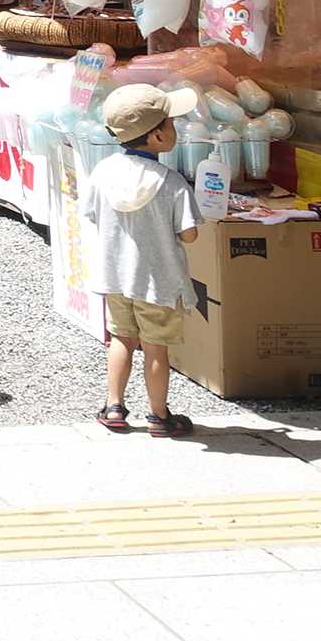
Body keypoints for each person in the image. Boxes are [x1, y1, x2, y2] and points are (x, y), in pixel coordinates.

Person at [85, 83, 203, 436]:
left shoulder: (103, 172)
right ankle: (158, 416)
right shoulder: (171, 182)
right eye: (170, 123)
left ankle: (114, 406)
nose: (175, 128)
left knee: (121, 339)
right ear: (155, 137)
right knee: (156, 349)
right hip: (159, 283)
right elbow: (189, 234)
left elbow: (91, 213)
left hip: (115, 278)